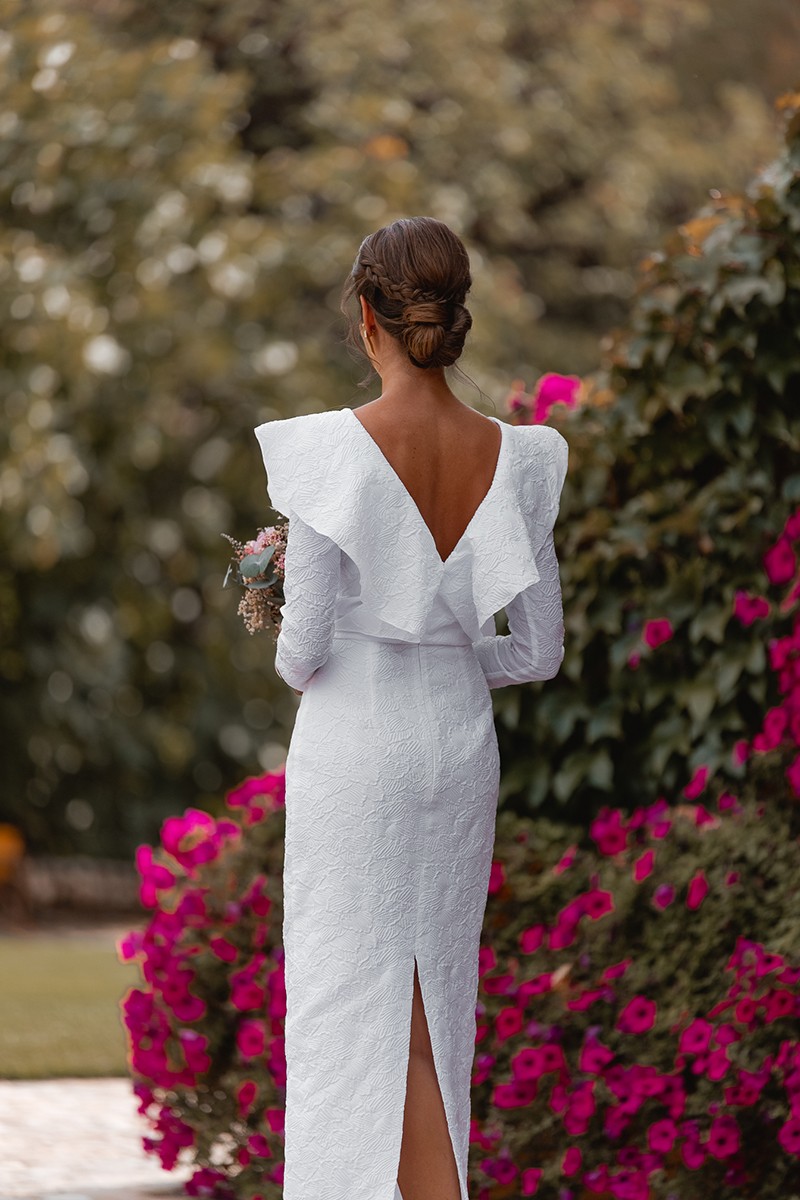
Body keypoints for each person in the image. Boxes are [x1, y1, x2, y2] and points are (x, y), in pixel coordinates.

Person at [253, 216, 569, 1200]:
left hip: (356, 750)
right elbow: (537, 650)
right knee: (434, 1013)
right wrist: (444, 644)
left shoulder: (324, 456)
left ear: (365, 319)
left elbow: (300, 657)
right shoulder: (517, 458)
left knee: (348, 1019)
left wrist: (299, 602)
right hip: (457, 748)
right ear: (454, 317)